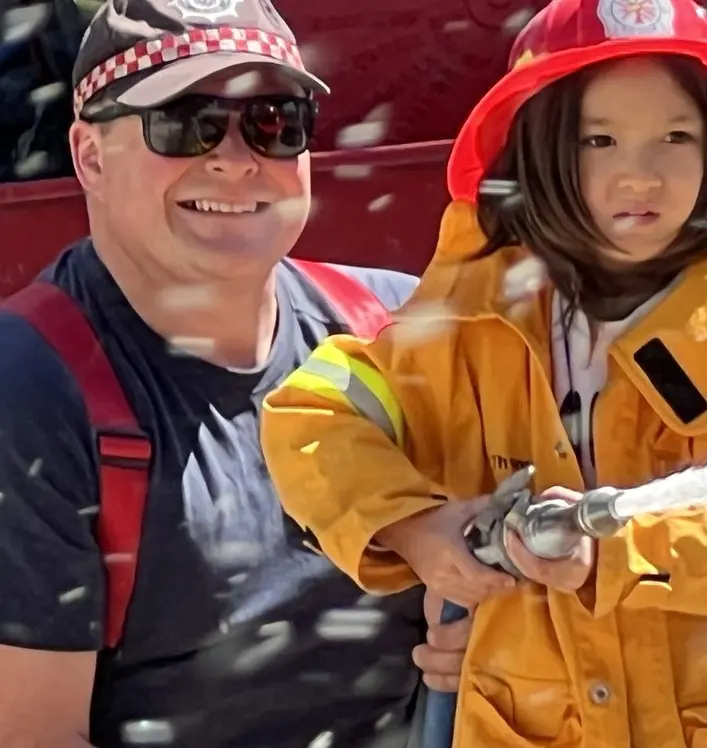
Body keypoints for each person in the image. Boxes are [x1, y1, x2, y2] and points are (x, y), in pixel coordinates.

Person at [260, 0, 707, 744]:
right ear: (536, 151)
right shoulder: (474, 314)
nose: (640, 175)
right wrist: (417, 528)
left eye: (677, 137)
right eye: (600, 140)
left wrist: (611, 551)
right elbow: (314, 415)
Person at [0, 0, 467, 746]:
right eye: (185, 122)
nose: (237, 159)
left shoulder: (399, 329)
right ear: (89, 157)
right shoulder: (26, 390)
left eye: (274, 121)